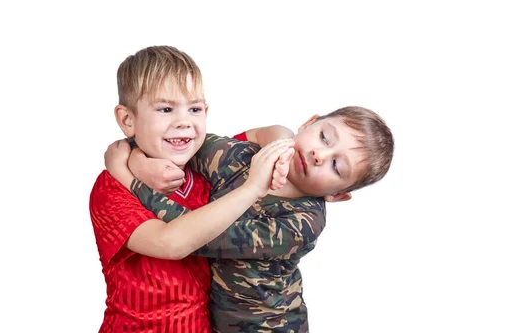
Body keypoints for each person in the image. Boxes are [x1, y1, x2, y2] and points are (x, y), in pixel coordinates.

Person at [106, 106, 394, 333]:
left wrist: (129, 178)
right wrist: (141, 160)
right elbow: (176, 145)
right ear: (309, 122)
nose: (319, 154)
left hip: (270, 327)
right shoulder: (241, 156)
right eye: (324, 137)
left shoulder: (301, 224)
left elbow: (197, 233)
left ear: (337, 195)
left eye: (336, 165)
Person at [89, 45, 294, 332]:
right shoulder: (110, 188)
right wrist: (252, 187)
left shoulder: (209, 169)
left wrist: (285, 149)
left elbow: (265, 133)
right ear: (127, 120)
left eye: (195, 109)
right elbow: (169, 243)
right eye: (165, 109)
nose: (184, 120)